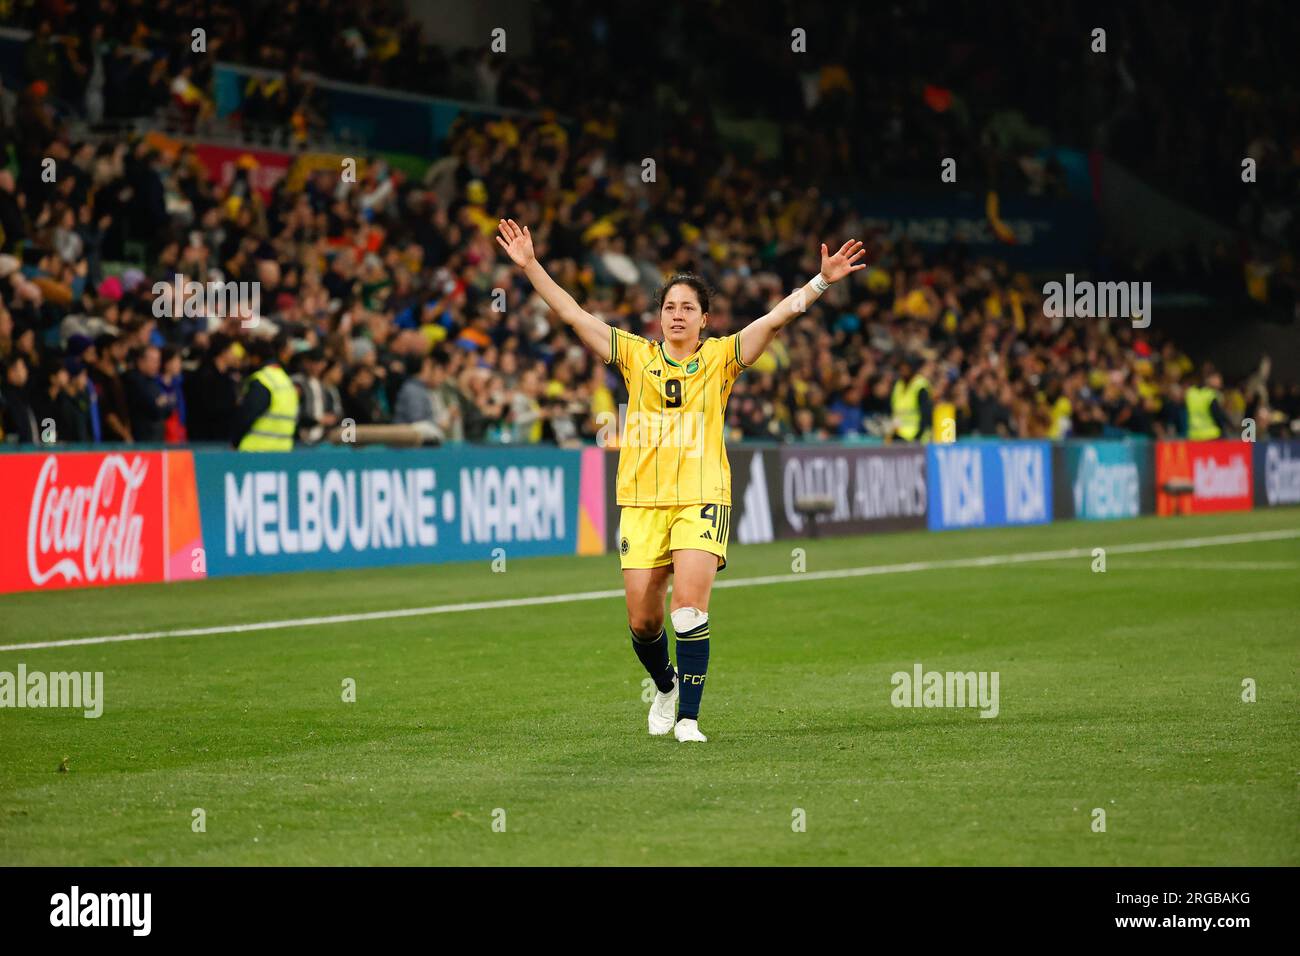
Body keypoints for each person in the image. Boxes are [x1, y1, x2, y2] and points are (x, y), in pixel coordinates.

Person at [497, 217, 864, 742]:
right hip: (642, 504)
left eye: (687, 307)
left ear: (704, 319)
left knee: (687, 609)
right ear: (659, 316)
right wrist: (531, 265)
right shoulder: (635, 356)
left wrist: (822, 281)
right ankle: (665, 687)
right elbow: (572, 313)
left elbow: (777, 317)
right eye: (669, 306)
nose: (677, 314)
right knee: (644, 623)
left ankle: (688, 717)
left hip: (701, 497)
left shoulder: (721, 359)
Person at [233, 335, 299, 451]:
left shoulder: (262, 380)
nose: (244, 363)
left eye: (247, 358)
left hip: (255, 451)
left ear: (256, 358)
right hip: (283, 451)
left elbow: (247, 416)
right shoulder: (285, 380)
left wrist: (235, 441)